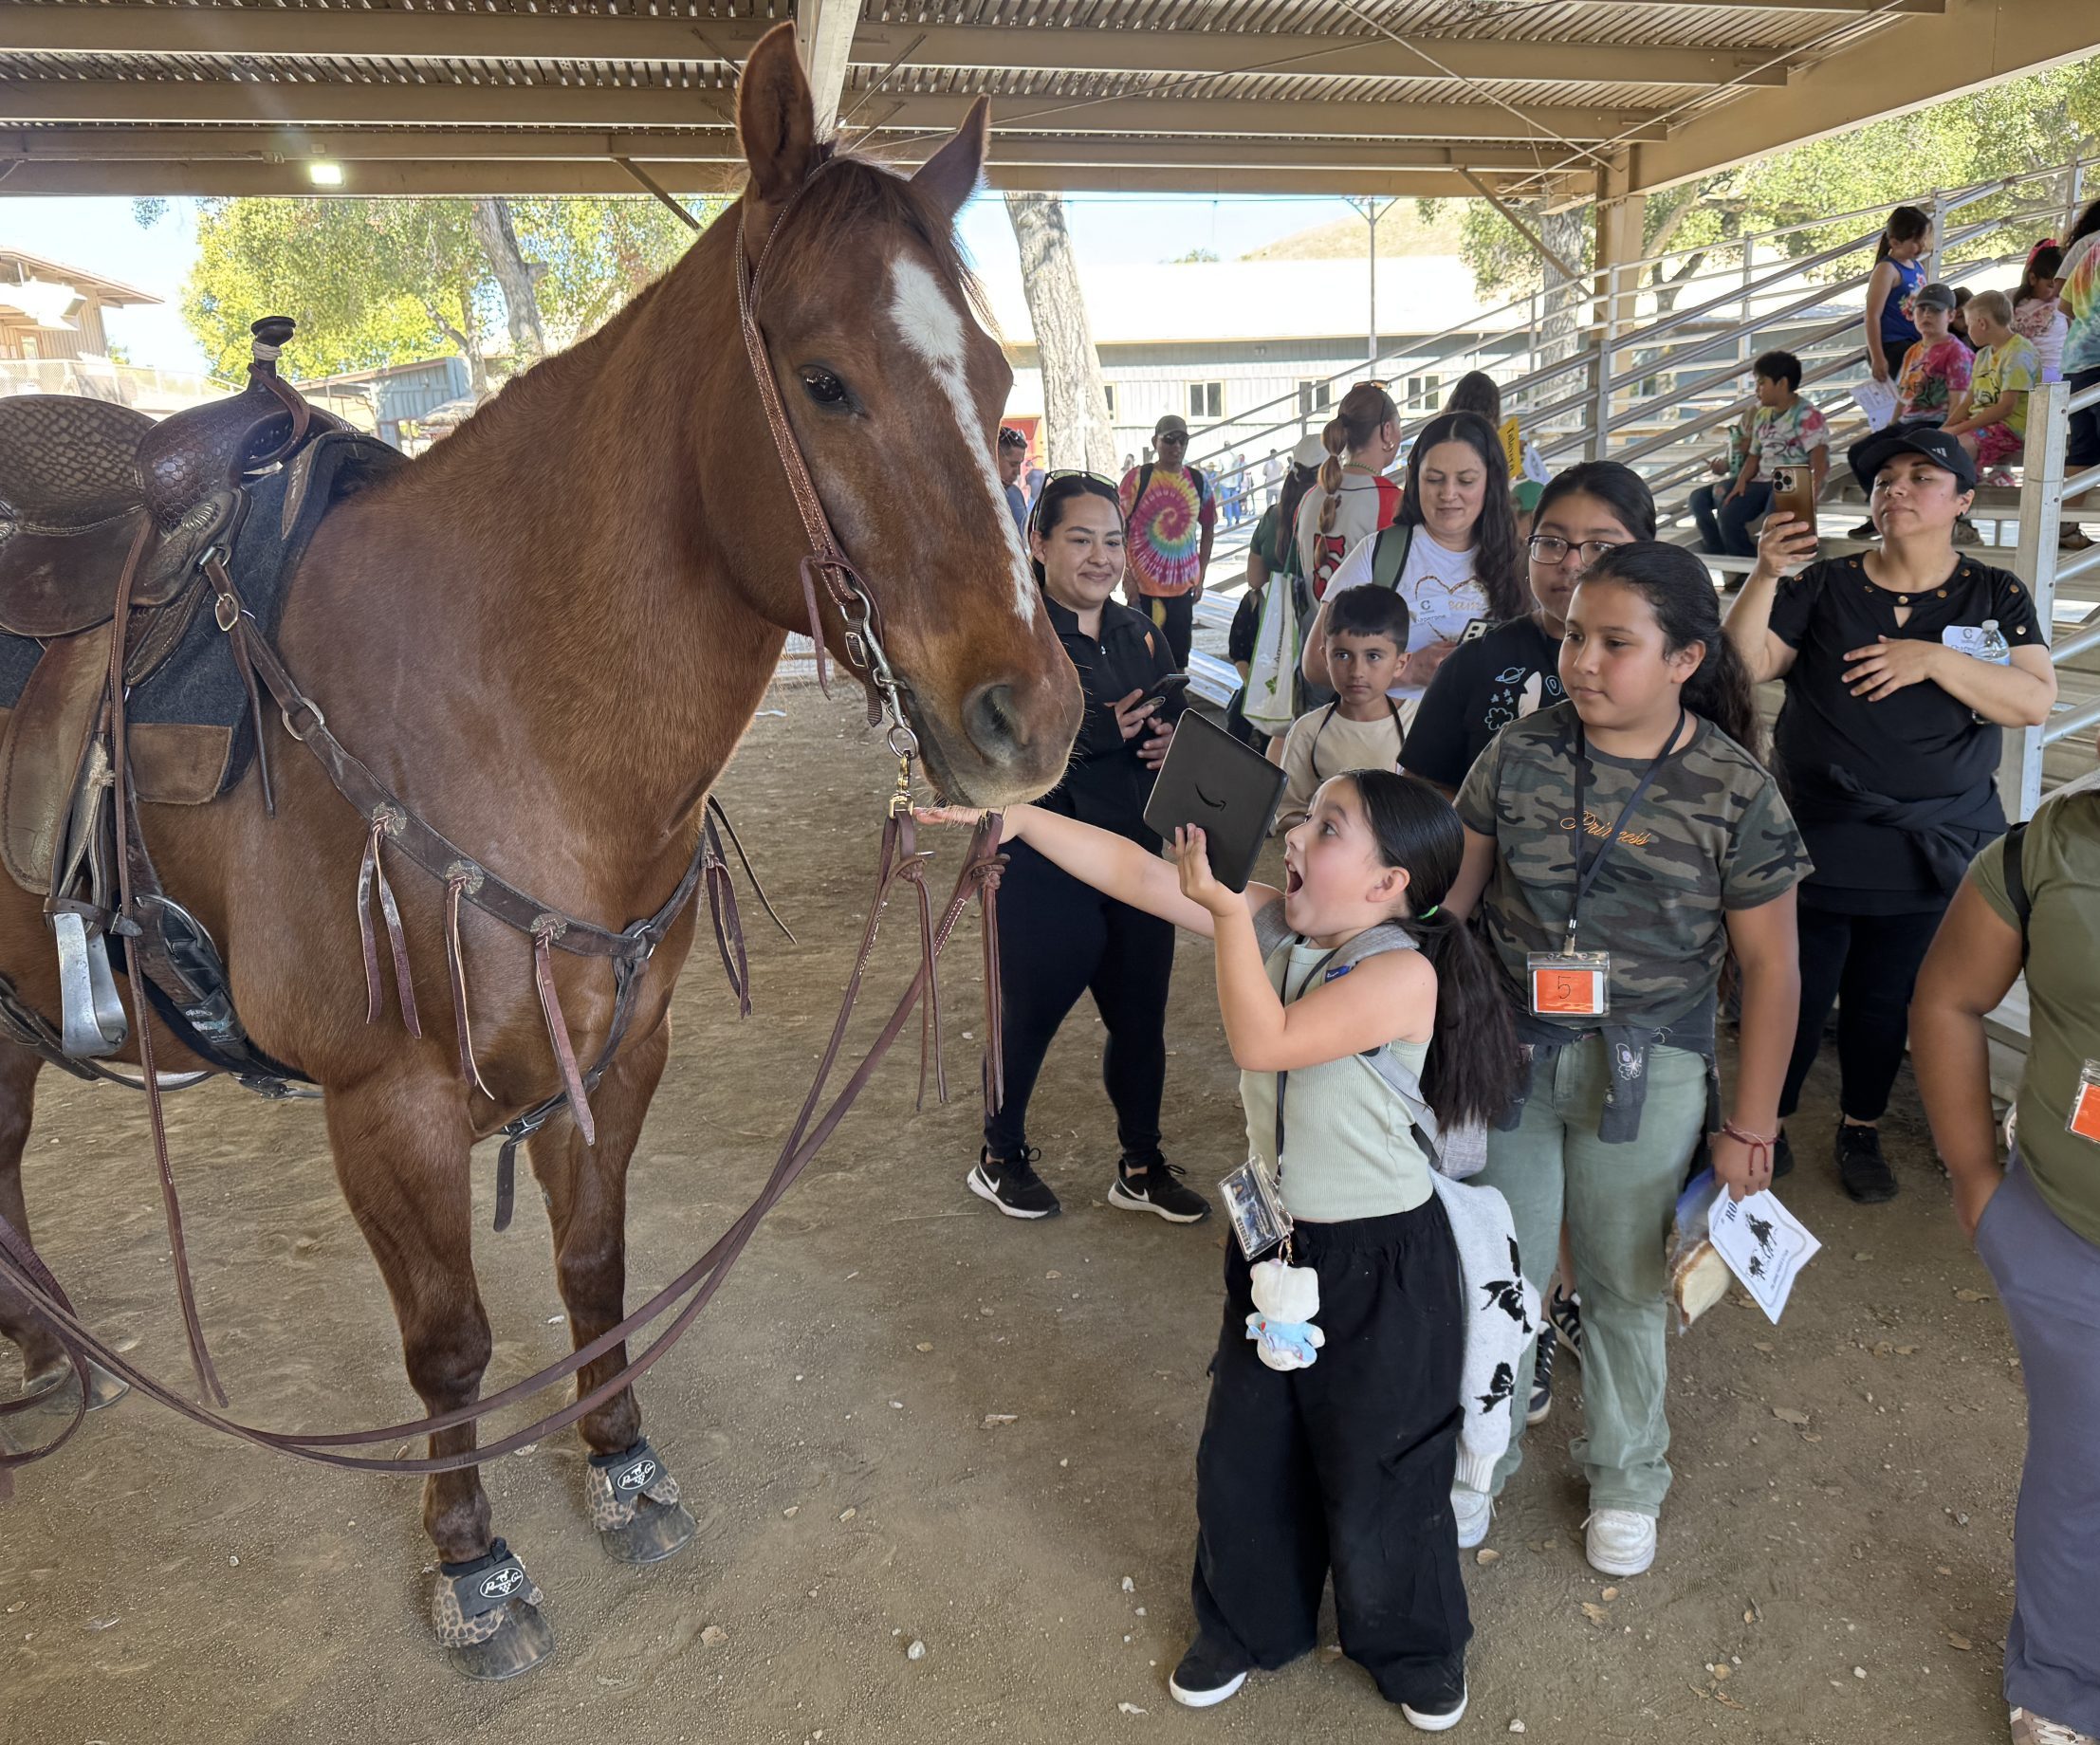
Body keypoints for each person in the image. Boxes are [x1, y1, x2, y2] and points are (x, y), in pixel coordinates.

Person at [919, 769, 1527, 1732]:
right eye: (1307, 813)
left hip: (1383, 1261)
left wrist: (1229, 918)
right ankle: (1246, 1624)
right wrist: (1021, 817)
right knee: (1246, 1449)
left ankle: (1412, 1643)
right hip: (1275, 1243)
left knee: (1385, 1461)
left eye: (1328, 827)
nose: (1295, 831)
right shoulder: (1286, 927)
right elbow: (1131, 869)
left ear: (1388, 884)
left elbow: (1266, 1038)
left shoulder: (1401, 971)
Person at [1447, 541, 1810, 1578]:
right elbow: (1454, 908)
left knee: (1621, 1282)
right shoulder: (1516, 756)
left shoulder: (1734, 790)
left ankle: (1626, 1474)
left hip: (1650, 1071)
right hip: (1508, 1058)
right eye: (1574, 636)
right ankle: (1482, 1453)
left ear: (1687, 658)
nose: (1584, 662)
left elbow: (1772, 970)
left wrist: (1751, 1124)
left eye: (1617, 643)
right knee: (1498, 1271)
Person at [1723, 427, 2054, 1202]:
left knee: (1887, 999)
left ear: (1963, 502)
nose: (1896, 489)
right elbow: (1744, 667)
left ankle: (1861, 1125)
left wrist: (1934, 658)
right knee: (1793, 991)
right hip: (1818, 835)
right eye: (1884, 479)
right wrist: (1767, 574)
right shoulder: (1823, 585)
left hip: (1934, 845)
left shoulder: (1994, 595)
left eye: (1921, 477)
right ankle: (1766, 1119)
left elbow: (2034, 701)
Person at [1910, 751, 2100, 1745]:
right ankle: (2065, 1681)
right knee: (2083, 1467)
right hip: (2072, 1241)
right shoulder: (2045, 857)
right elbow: (1947, 998)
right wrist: (1976, 1180)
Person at [967, 472, 1209, 1226]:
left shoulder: (1142, 632)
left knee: (1141, 1019)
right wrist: (1106, 729)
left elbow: (1164, 727)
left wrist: (1171, 743)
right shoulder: (1009, 633)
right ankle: (999, 1155)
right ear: (1037, 544)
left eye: (1112, 540)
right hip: (1043, 858)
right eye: (1080, 539)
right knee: (1029, 1017)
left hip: (1135, 859)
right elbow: (990, 744)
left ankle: (1140, 1164)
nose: (1101, 557)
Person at [1404, 461, 1655, 800]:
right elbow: (1422, 796)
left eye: (1600, 547)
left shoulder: (1669, 667)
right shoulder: (1475, 662)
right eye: (1552, 542)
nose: (1571, 563)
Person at [1302, 411, 1526, 722]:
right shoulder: (1380, 554)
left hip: (1484, 748)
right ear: (1414, 480)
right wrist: (1407, 672)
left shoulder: (1520, 563)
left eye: (1466, 480)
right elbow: (1315, 662)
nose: (1448, 494)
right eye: (1434, 479)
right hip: (1389, 748)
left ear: (1491, 482)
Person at [1270, 586, 1409, 831]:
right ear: (1325, 657)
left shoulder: (1419, 724)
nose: (1357, 671)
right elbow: (1287, 816)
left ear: (1400, 663)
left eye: (1373, 656)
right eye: (1343, 655)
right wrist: (1333, 826)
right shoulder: (1308, 732)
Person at [1689, 351, 1830, 560]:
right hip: (1762, 480)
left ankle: (1775, 569)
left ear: (1781, 383)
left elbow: (1819, 457)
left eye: (1762, 383)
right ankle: (1743, 565)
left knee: (1773, 517)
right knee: (1728, 512)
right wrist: (1741, 482)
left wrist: (1812, 491)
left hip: (1791, 481)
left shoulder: (1807, 415)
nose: (1757, 390)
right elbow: (1754, 456)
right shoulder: (1762, 415)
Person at [1119, 414, 1216, 670]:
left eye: (1182, 440)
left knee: (1178, 660)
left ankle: (1174, 708)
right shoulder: (1138, 479)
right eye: (1169, 439)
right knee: (1142, 661)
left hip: (1182, 589)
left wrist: (1201, 575)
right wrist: (1126, 576)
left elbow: (1209, 528)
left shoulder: (1198, 482)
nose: (1176, 446)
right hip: (1143, 590)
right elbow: (1117, 529)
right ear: (1155, 441)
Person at [1294, 382, 1404, 598]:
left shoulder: (1308, 498)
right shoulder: (1392, 500)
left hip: (1309, 630)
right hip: (1367, 630)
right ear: (1387, 430)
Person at [1944, 288, 2040, 476]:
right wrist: (1945, 428)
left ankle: (1966, 489)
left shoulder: (2018, 353)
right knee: (1941, 442)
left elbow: (2005, 408)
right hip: (1982, 424)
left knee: (1956, 449)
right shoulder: (1983, 355)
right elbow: (1969, 401)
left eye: (1968, 323)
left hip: (2010, 428)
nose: (1967, 329)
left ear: (1981, 323)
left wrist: (1957, 429)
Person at [1865, 204, 1934, 393]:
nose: (1921, 246)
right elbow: (1872, 315)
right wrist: (1878, 357)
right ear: (1895, 242)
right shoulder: (1887, 270)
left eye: (1923, 240)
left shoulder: (1917, 266)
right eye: (1915, 241)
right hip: (1893, 346)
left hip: (1915, 343)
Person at [1892, 283, 1973, 427]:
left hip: (1934, 424)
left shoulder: (1956, 352)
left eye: (1935, 310)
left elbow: (1958, 403)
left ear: (1951, 315)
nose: (1927, 315)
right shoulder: (1912, 351)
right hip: (1907, 423)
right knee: (1861, 449)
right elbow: (1903, 398)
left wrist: (1944, 436)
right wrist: (1891, 426)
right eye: (1921, 309)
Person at [2061, 198, 2100, 470]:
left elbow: (2063, 304)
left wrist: (2088, 323)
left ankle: (2067, 514)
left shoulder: (2092, 249)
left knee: (2082, 453)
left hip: (2075, 363)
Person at [2012, 241, 2070, 383]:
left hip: (2050, 371)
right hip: (2019, 368)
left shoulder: (2062, 305)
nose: (2057, 291)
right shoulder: (2013, 299)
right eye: (2050, 285)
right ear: (2033, 278)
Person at [997, 426, 1029, 534]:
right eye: (1013, 464)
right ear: (995, 457)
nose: (1018, 472)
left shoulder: (1014, 493)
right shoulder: (1012, 494)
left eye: (1019, 465)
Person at [1262, 449, 1284, 513]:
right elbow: (1282, 470)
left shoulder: (1267, 464)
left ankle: (1269, 516)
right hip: (1278, 486)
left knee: (1269, 503)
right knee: (1278, 503)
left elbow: (1264, 473)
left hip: (1270, 485)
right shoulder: (1280, 463)